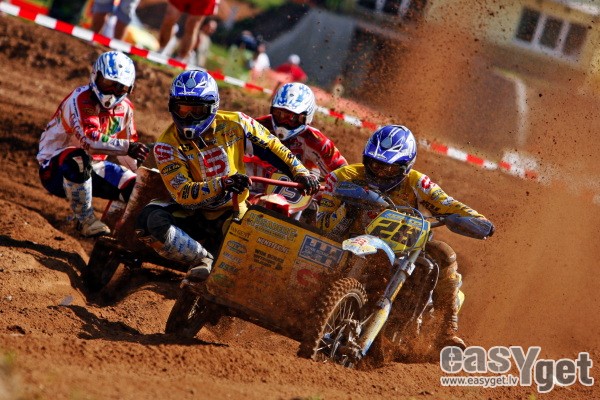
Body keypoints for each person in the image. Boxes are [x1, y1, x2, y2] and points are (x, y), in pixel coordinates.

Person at [317, 125, 495, 351]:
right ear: (366, 158)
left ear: (405, 166)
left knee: (443, 253)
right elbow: (321, 225)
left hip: (402, 247)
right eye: (375, 164)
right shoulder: (342, 177)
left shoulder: (417, 183)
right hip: (349, 242)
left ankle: (447, 330)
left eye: (389, 168)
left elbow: (448, 203)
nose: (380, 172)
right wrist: (347, 209)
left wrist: (477, 220)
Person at [135, 70, 320, 282]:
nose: (189, 117)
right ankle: (202, 259)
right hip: (192, 213)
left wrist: (300, 171)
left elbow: (273, 146)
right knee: (147, 220)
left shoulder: (237, 123)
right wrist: (222, 183)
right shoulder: (166, 145)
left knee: (260, 235)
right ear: (172, 107)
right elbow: (183, 194)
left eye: (197, 110)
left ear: (212, 107)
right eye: (183, 109)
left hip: (232, 212)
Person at [37, 51, 149, 238]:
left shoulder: (126, 109)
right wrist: (129, 147)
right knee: (79, 159)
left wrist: (143, 175)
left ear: (129, 89)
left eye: (120, 87)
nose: (112, 92)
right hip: (54, 168)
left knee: (138, 189)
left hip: (94, 167)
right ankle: (85, 220)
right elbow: (90, 140)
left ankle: (118, 238)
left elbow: (128, 152)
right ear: (95, 76)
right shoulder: (81, 98)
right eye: (108, 83)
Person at [247, 82, 347, 194]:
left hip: (296, 198)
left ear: (305, 117)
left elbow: (344, 174)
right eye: (279, 114)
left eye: (292, 118)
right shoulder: (256, 127)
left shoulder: (318, 142)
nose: (284, 122)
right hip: (251, 193)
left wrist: (318, 183)